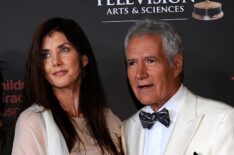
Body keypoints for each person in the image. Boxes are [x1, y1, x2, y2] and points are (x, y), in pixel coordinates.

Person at [121, 19, 234, 155]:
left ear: (176, 65)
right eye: (132, 63)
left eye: (151, 61)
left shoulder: (222, 120)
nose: (140, 74)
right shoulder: (128, 129)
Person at [11, 17, 122, 155]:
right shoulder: (33, 121)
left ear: (83, 59)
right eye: (45, 55)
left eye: (64, 49)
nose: (55, 62)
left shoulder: (107, 118)